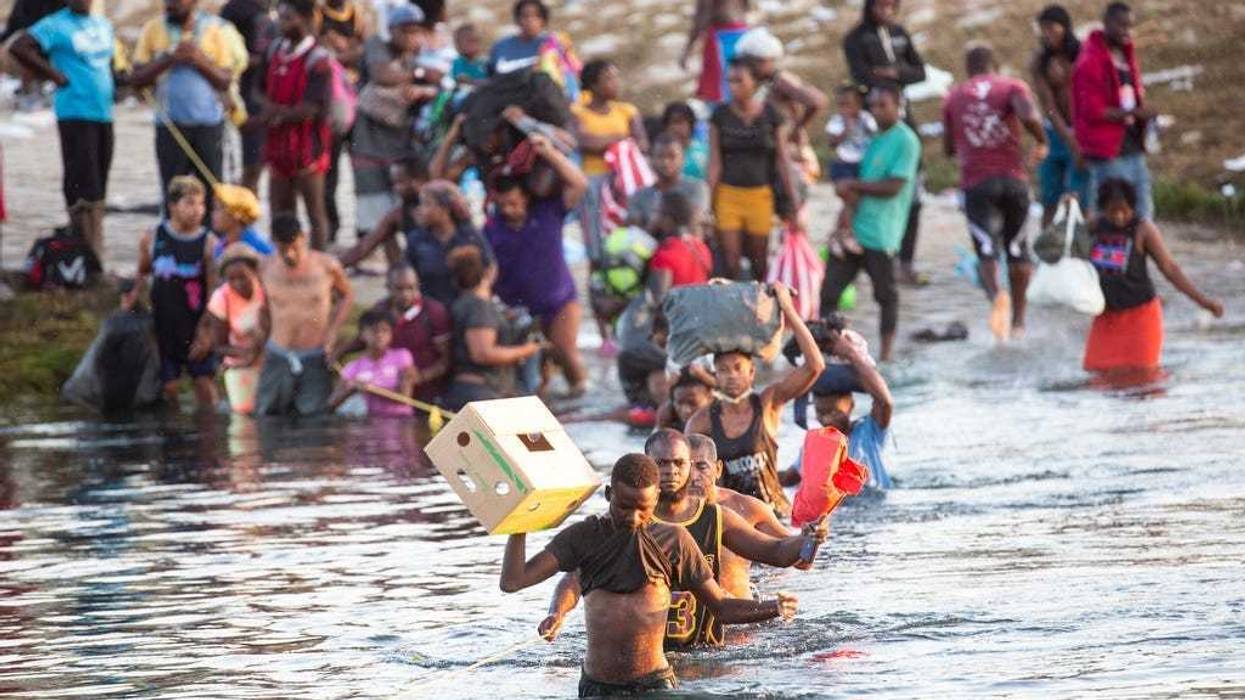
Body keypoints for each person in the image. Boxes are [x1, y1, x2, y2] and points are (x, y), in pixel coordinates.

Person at [501, 453, 797, 696]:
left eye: (642, 509)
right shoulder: (583, 537)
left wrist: (773, 608)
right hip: (598, 688)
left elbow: (720, 606)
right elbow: (515, 581)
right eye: (623, 506)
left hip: (656, 684)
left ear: (655, 500)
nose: (632, 517)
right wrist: (519, 524)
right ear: (608, 494)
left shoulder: (675, 541)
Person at [541, 431, 824, 650]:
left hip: (707, 651)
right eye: (661, 464)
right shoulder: (620, 522)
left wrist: (806, 538)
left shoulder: (717, 517)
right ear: (646, 467)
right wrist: (558, 614)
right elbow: (575, 578)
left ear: (690, 467)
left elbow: (776, 552)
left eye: (679, 463)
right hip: (644, 654)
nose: (671, 471)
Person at [684, 284, 824, 518]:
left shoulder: (768, 403)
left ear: (752, 372)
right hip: (735, 521)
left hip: (777, 515)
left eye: (738, 368)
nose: (731, 376)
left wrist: (787, 308)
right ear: (714, 376)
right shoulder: (702, 421)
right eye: (724, 370)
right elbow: (688, 475)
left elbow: (815, 366)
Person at [942, 45, 1048, 341]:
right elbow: (1028, 114)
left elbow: (949, 147)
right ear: (995, 67)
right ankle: (1019, 323)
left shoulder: (955, 96)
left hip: (977, 182)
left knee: (986, 248)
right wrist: (1040, 141)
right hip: (1014, 178)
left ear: (969, 68)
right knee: (1017, 248)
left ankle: (997, 298)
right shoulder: (1011, 86)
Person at [818, 87, 920, 363]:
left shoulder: (906, 140)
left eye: (883, 105)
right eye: (873, 106)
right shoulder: (870, 136)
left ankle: (886, 355)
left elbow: (895, 185)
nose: (876, 111)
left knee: (885, 295)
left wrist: (853, 185)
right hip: (854, 229)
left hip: (881, 231)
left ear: (898, 105)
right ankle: (832, 351)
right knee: (829, 293)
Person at [10, 0, 117, 260]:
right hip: (75, 111)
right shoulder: (56, 24)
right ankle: (84, 244)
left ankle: (95, 243)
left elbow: (111, 63)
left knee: (100, 177)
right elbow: (19, 47)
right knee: (83, 177)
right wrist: (54, 75)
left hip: (103, 111)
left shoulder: (102, 24)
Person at [1083, 179, 1224, 375]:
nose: (1118, 216)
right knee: (1097, 374)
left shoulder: (1143, 229)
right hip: (1106, 318)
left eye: (1124, 210)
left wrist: (1203, 301)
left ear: (1132, 206)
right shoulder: (1095, 226)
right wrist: (1068, 208)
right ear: (1103, 209)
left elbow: (1170, 269)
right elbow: (1059, 245)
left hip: (1141, 317)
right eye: (1112, 211)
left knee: (1144, 377)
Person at [484, 134, 589, 396]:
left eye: (514, 203)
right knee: (534, 370)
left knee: (564, 350)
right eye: (503, 204)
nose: (509, 210)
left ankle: (580, 394)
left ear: (526, 198)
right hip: (518, 309)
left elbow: (579, 183)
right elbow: (487, 272)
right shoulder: (491, 230)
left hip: (560, 300)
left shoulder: (548, 212)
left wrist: (549, 151)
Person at [130, 0, 247, 221]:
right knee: (173, 191)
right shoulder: (153, 29)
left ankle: (210, 244)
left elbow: (224, 80)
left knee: (212, 190)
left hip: (209, 125)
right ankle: (172, 242)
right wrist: (170, 58)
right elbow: (136, 79)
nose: (170, 5)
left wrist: (197, 59)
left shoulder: (216, 29)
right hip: (170, 126)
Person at [843, 0, 927, 285]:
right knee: (868, 188)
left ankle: (905, 261)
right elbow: (860, 75)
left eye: (891, 6)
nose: (886, 11)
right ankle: (864, 255)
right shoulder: (857, 38)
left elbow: (920, 71)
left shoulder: (899, 33)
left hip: (903, 120)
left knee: (913, 197)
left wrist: (895, 74)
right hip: (873, 124)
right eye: (880, 5)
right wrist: (881, 83)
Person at [351, 4, 437, 243]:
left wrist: (422, 87)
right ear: (392, 30)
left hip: (401, 140)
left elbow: (440, 80)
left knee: (405, 198)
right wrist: (420, 76)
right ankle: (379, 253)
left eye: (415, 30)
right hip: (370, 138)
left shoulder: (418, 53)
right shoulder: (376, 45)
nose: (411, 36)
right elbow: (382, 75)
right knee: (373, 199)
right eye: (405, 31)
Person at [256, 212, 355, 416]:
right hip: (278, 353)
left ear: (304, 237)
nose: (290, 255)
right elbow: (264, 307)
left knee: (315, 419)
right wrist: (261, 342)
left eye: (295, 247)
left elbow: (347, 296)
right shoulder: (265, 267)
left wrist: (333, 332)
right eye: (283, 249)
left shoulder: (327, 266)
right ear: (274, 242)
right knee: (266, 416)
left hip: (315, 354)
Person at [253, 0, 332, 251]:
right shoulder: (275, 50)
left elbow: (314, 107)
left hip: (308, 146)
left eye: (288, 18)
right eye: (281, 17)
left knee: (314, 211)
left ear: (306, 19)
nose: (281, 23)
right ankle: (282, 259)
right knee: (280, 209)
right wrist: (270, 110)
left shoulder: (318, 59)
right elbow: (257, 89)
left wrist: (275, 113)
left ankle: (319, 263)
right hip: (278, 144)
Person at [708, 59, 798, 281]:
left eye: (739, 81)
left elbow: (782, 161)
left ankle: (758, 308)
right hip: (728, 195)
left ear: (755, 83)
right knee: (731, 260)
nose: (733, 86)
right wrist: (707, 204)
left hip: (760, 196)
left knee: (760, 260)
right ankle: (733, 308)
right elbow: (714, 163)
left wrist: (793, 202)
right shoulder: (719, 116)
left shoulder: (771, 115)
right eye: (730, 81)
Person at [135, 176, 219, 409]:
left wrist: (206, 332)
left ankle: (209, 435)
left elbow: (214, 292)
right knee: (168, 387)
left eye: (201, 204)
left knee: (204, 384)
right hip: (163, 327)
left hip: (195, 325)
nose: (198, 210)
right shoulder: (152, 238)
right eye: (190, 203)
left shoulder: (208, 243)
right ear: (172, 206)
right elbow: (141, 275)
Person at [780, 323, 896, 491]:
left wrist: (851, 354)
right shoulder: (814, 446)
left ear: (851, 406)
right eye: (822, 412)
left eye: (834, 412)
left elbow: (885, 402)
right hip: (842, 510)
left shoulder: (868, 432)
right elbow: (790, 477)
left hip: (874, 504)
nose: (827, 418)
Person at [1071, 2, 1154, 221]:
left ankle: (1139, 255)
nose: (1126, 31)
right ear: (1106, 23)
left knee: (1143, 215)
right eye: (1121, 25)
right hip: (1109, 151)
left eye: (1129, 26)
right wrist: (1134, 114)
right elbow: (1092, 110)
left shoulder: (1125, 54)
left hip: (1132, 144)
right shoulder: (1091, 60)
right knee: (1113, 218)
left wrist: (1140, 115)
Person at [443, 245, 542, 411]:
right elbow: (482, 353)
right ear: (488, 271)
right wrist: (527, 350)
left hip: (470, 390)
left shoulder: (462, 303)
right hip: (482, 392)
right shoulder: (480, 307)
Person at [337, 265, 451, 405]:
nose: (405, 294)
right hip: (388, 395)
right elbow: (366, 337)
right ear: (388, 287)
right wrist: (339, 352)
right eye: (399, 289)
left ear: (418, 286)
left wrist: (420, 377)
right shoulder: (381, 309)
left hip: (428, 394)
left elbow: (446, 360)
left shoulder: (434, 312)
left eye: (411, 288)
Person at [734, 27, 829, 194]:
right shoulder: (762, 85)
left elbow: (817, 101)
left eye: (750, 62)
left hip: (792, 154)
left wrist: (797, 129)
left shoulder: (780, 81)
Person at [1030, 4, 1087, 227]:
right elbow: (1048, 105)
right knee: (1050, 198)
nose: (1047, 34)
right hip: (1056, 133)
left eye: (1052, 28)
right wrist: (1069, 137)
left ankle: (1080, 251)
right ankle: (1048, 252)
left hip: (1083, 129)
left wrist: (1080, 136)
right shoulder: (1040, 61)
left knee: (1078, 196)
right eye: (1043, 29)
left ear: (1065, 27)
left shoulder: (1082, 54)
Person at [194, 243, 266, 414]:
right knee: (244, 415)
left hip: (270, 360)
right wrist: (247, 354)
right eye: (231, 279)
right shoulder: (221, 298)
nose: (237, 284)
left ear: (255, 272)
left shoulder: (266, 290)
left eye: (243, 277)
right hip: (239, 363)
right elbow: (219, 346)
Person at [316, 0, 366, 243]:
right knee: (329, 171)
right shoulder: (317, 13)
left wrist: (339, 54)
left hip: (353, 98)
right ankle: (331, 226)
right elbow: (320, 52)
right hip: (333, 102)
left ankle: (364, 228)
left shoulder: (355, 13)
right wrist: (345, 54)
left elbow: (363, 50)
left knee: (361, 168)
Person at [338, 156, 432, 273]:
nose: (395, 188)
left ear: (419, 181)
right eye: (394, 183)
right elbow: (363, 248)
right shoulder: (398, 215)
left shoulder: (444, 206)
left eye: (400, 182)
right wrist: (327, 264)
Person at [219, 0, 276, 193]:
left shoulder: (280, 7)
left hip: (273, 95)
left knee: (265, 165)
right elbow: (223, 54)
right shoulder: (235, 9)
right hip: (245, 95)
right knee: (248, 164)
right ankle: (243, 212)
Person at [330, 309, 418, 416]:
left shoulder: (402, 357)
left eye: (385, 331)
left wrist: (372, 388)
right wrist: (352, 390)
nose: (380, 335)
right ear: (362, 334)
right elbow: (332, 403)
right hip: (371, 421)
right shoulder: (353, 367)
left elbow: (405, 398)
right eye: (374, 331)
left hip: (400, 419)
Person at [824, 83, 877, 258]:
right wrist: (845, 131)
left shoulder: (866, 118)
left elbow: (875, 134)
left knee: (852, 202)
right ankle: (845, 234)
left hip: (861, 165)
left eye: (848, 104)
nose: (844, 109)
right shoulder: (837, 121)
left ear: (859, 104)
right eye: (841, 105)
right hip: (844, 165)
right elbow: (831, 143)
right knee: (849, 199)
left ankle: (838, 234)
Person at [572, 59, 648, 178]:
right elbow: (584, 142)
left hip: (625, 176)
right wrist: (622, 139)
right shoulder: (577, 112)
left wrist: (603, 142)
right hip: (592, 176)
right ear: (594, 85)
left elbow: (642, 144)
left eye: (616, 78)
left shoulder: (627, 111)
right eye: (609, 79)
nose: (616, 83)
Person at [626, 133, 709, 232]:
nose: (665, 162)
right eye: (660, 156)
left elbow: (694, 223)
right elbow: (634, 233)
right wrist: (654, 226)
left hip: (686, 245)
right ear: (651, 160)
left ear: (682, 159)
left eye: (672, 156)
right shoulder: (639, 195)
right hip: (651, 246)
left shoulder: (697, 188)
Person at [681, 0, 749, 105]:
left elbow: (701, 18)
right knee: (742, 81)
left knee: (719, 90)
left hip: (722, 37)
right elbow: (746, 7)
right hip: (742, 32)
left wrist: (687, 50)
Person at [647, 191, 712, 290]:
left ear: (667, 219)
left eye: (658, 213)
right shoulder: (701, 247)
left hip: (677, 305)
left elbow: (658, 297)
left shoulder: (665, 254)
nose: (655, 218)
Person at [487, 0, 549, 76]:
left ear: (543, 20)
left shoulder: (550, 46)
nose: (530, 21)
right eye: (525, 16)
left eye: (536, 16)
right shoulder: (501, 47)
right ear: (518, 19)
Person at [211, 183, 273, 259]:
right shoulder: (220, 247)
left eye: (218, 209)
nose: (213, 214)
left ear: (235, 215)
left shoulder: (258, 246)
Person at [660, 101, 709, 180]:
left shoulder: (704, 152)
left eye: (680, 122)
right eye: (671, 123)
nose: (675, 128)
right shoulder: (659, 154)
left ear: (691, 124)